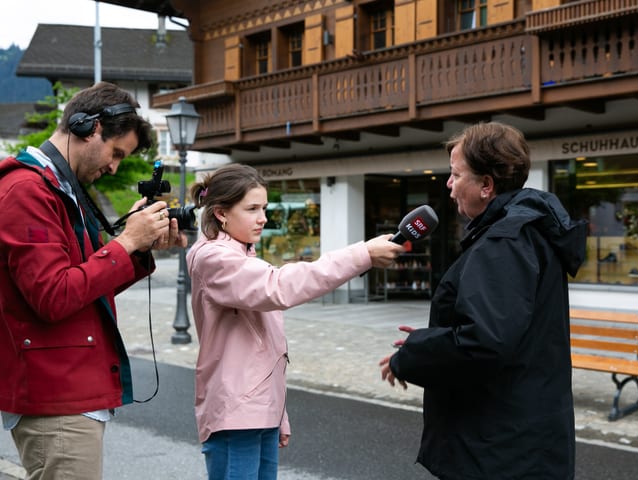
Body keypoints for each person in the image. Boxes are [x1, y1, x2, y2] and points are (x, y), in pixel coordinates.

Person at [0, 81, 187, 480]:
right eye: (116, 153)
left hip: (66, 390)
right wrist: (126, 242)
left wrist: (137, 248)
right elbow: (53, 296)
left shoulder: (58, 188)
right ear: (90, 127)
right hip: (57, 397)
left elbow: (85, 283)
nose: (115, 167)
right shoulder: (27, 191)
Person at [379, 122, 587, 479]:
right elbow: (504, 330)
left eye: (456, 174)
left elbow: (484, 343)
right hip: (520, 439)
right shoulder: (524, 231)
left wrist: (415, 353)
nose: (449, 183)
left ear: (486, 186)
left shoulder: (504, 242)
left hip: (500, 448)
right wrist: (437, 339)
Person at [185, 164, 405, 480]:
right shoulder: (214, 258)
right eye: (252, 209)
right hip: (236, 414)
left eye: (264, 207)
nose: (263, 217)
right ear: (220, 213)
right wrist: (362, 254)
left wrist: (277, 414)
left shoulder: (242, 256)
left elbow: (262, 352)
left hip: (254, 412)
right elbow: (280, 287)